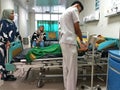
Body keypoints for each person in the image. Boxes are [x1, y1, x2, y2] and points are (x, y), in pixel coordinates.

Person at [59, 1, 87, 90]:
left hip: (64, 41)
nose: (79, 13)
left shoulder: (64, 13)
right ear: (78, 6)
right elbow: (77, 28)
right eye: (80, 11)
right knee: (72, 69)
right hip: (70, 42)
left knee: (66, 67)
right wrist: (82, 41)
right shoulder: (74, 10)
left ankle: (67, 87)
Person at [0, 9, 22, 81]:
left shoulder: (12, 23)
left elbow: (16, 31)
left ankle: (8, 74)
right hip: (3, 45)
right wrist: (6, 41)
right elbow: (2, 32)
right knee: (3, 60)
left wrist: (19, 37)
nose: (13, 15)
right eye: (12, 13)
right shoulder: (3, 22)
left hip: (10, 45)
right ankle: (3, 75)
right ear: (7, 14)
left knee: (8, 60)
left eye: (13, 13)